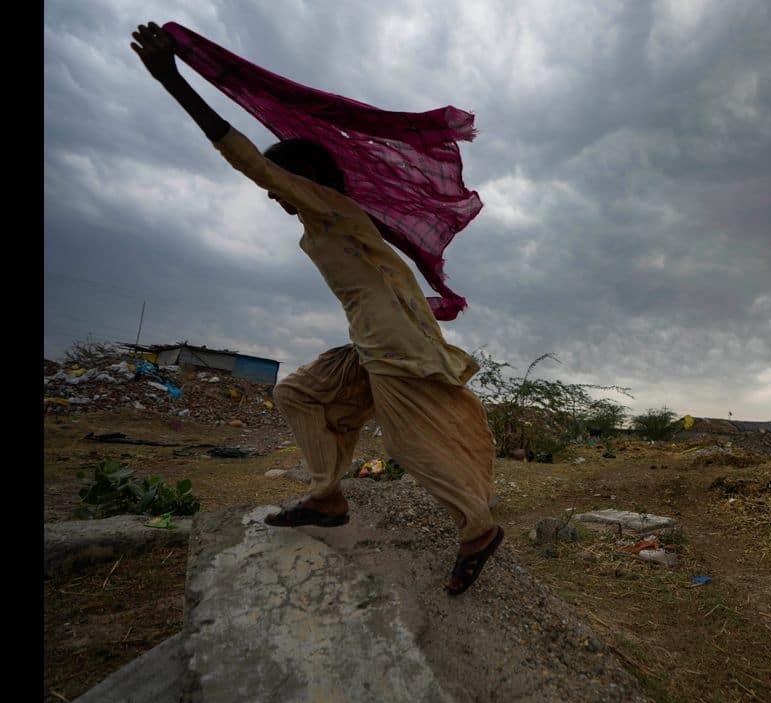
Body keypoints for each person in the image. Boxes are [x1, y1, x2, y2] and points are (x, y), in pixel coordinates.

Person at [130, 22, 502, 595]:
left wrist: (172, 81)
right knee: (298, 393)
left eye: (279, 186)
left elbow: (250, 162)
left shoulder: (329, 208)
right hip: (372, 340)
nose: (273, 195)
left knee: (405, 443)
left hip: (392, 344)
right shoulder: (327, 221)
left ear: (301, 180)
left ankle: (478, 532)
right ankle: (327, 497)